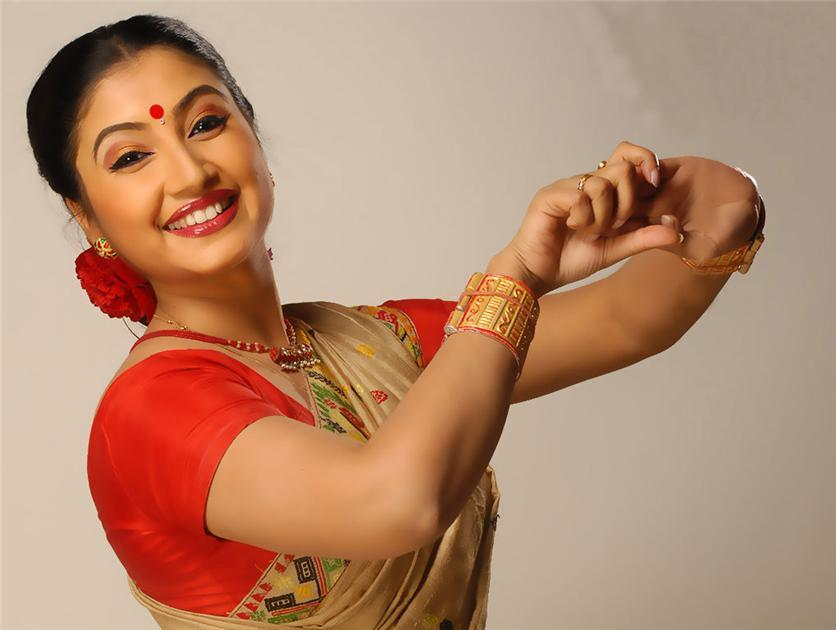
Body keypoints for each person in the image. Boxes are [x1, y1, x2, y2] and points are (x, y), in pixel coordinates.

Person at [25, 13, 765, 630]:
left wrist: (666, 197)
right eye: (132, 158)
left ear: (255, 137)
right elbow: (397, 502)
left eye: (208, 122)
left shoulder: (372, 342)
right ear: (86, 216)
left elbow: (628, 320)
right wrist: (518, 273)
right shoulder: (150, 412)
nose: (189, 173)